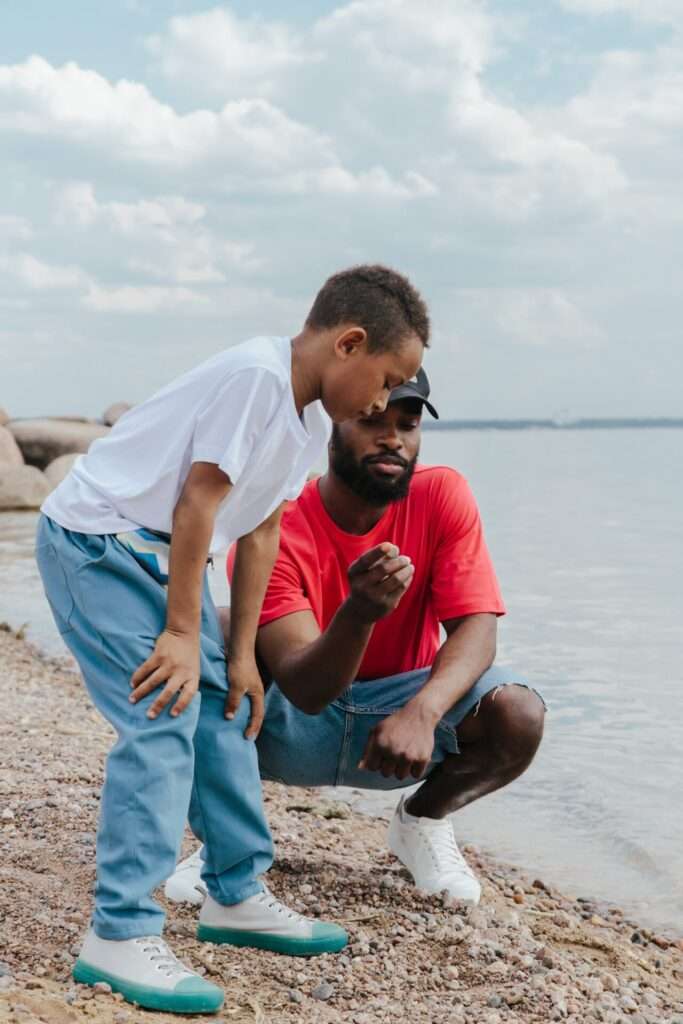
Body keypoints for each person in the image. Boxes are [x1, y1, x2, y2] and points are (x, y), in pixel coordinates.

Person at [36, 265, 429, 1014]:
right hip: (100, 544)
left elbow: (260, 528)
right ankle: (117, 933)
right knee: (162, 713)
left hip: (161, 554)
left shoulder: (309, 418)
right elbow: (197, 504)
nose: (383, 403)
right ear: (348, 343)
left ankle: (235, 892)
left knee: (222, 706)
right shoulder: (256, 377)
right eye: (386, 381)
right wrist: (184, 632)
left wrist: (240, 653)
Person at [166, 369, 545, 912]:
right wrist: (360, 613)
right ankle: (225, 837)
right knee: (222, 632)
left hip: (399, 730)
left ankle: (422, 821)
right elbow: (305, 686)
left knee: (518, 712)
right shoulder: (279, 523)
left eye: (407, 424)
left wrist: (424, 711)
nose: (393, 437)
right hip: (293, 724)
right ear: (330, 429)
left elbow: (478, 627)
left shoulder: (443, 494)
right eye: (372, 420)